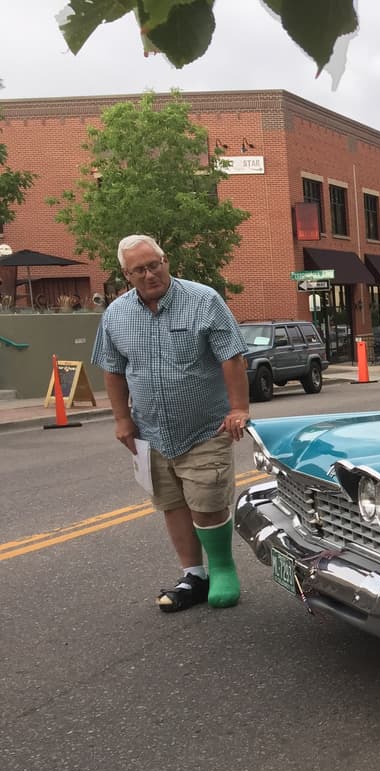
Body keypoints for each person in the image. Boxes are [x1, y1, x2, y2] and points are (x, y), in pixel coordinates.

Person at [91, 235, 250, 612]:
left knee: (207, 501)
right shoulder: (116, 314)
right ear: (126, 274)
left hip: (205, 428)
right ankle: (194, 574)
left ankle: (223, 569)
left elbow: (231, 357)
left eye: (155, 264)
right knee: (173, 503)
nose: (150, 274)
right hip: (151, 432)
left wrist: (239, 408)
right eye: (139, 269)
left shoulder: (204, 300)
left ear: (166, 260)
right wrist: (122, 420)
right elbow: (113, 370)